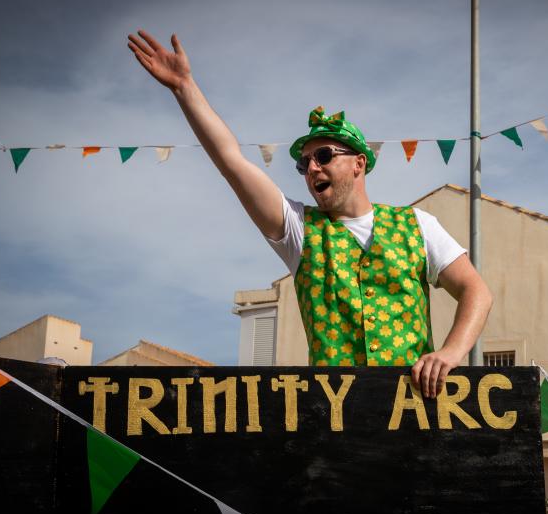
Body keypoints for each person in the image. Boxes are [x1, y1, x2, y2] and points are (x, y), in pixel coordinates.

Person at [127, 30, 493, 398]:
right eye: (305, 163)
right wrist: (184, 87)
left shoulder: (417, 225)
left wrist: (451, 352)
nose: (312, 168)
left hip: (413, 416)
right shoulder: (297, 230)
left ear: (358, 163)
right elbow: (232, 162)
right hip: (333, 420)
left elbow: (475, 290)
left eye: (324, 156)